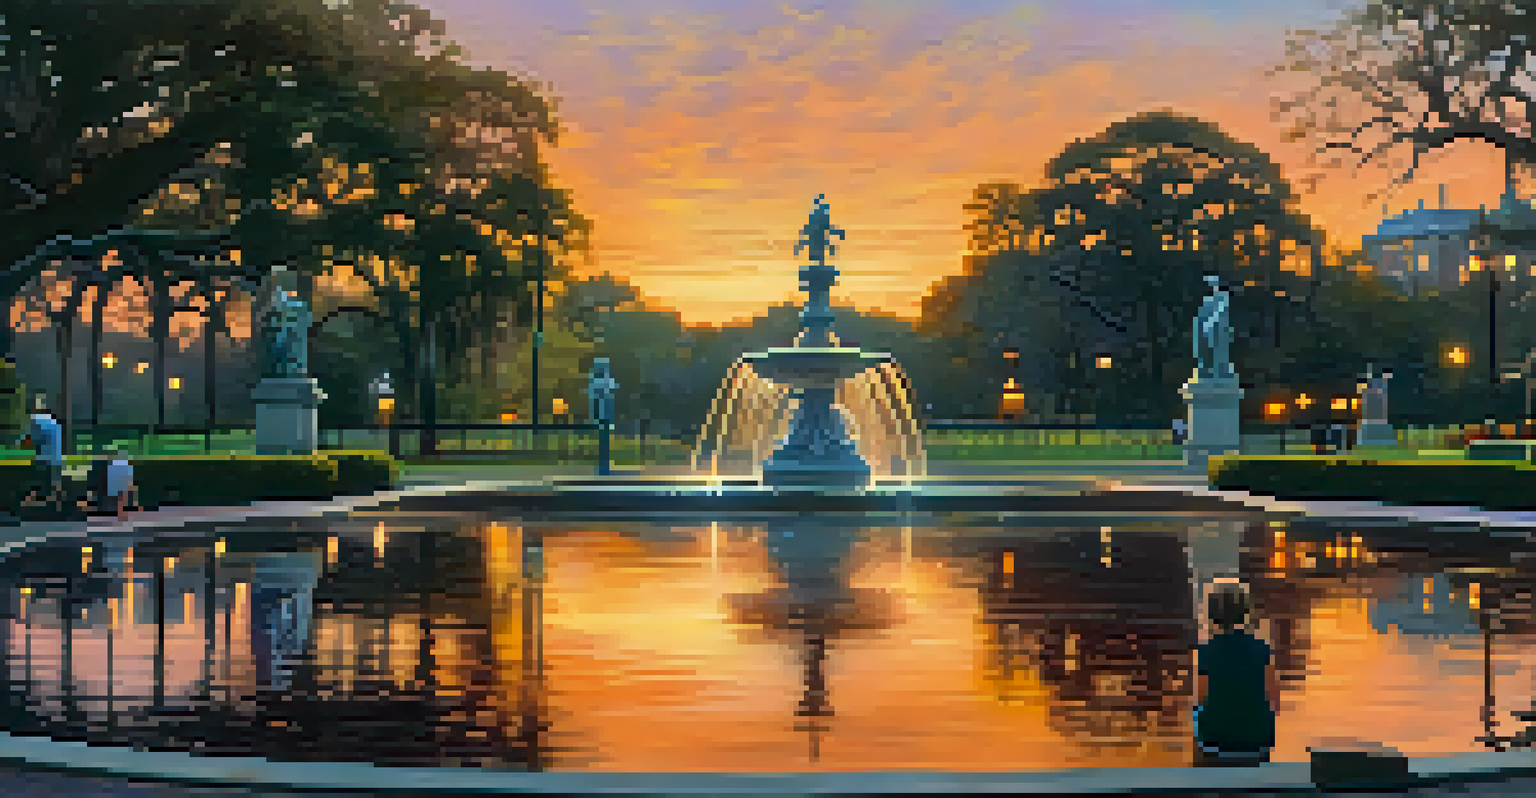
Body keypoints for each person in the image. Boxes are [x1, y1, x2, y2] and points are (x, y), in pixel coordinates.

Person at [1193, 579, 1278, 766]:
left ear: (1212, 615)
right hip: (1257, 741)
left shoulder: (1207, 651)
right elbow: (1273, 700)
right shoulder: (1262, 649)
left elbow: (1199, 700)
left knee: (1196, 720)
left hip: (1216, 742)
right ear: (1245, 613)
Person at [12, 395, 64, 507]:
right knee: (52, 484)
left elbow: (30, 440)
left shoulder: (35, 420)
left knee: (37, 483)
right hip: (56, 458)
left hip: (44, 458)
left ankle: (27, 503)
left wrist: (18, 445)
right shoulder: (52, 420)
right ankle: (57, 503)